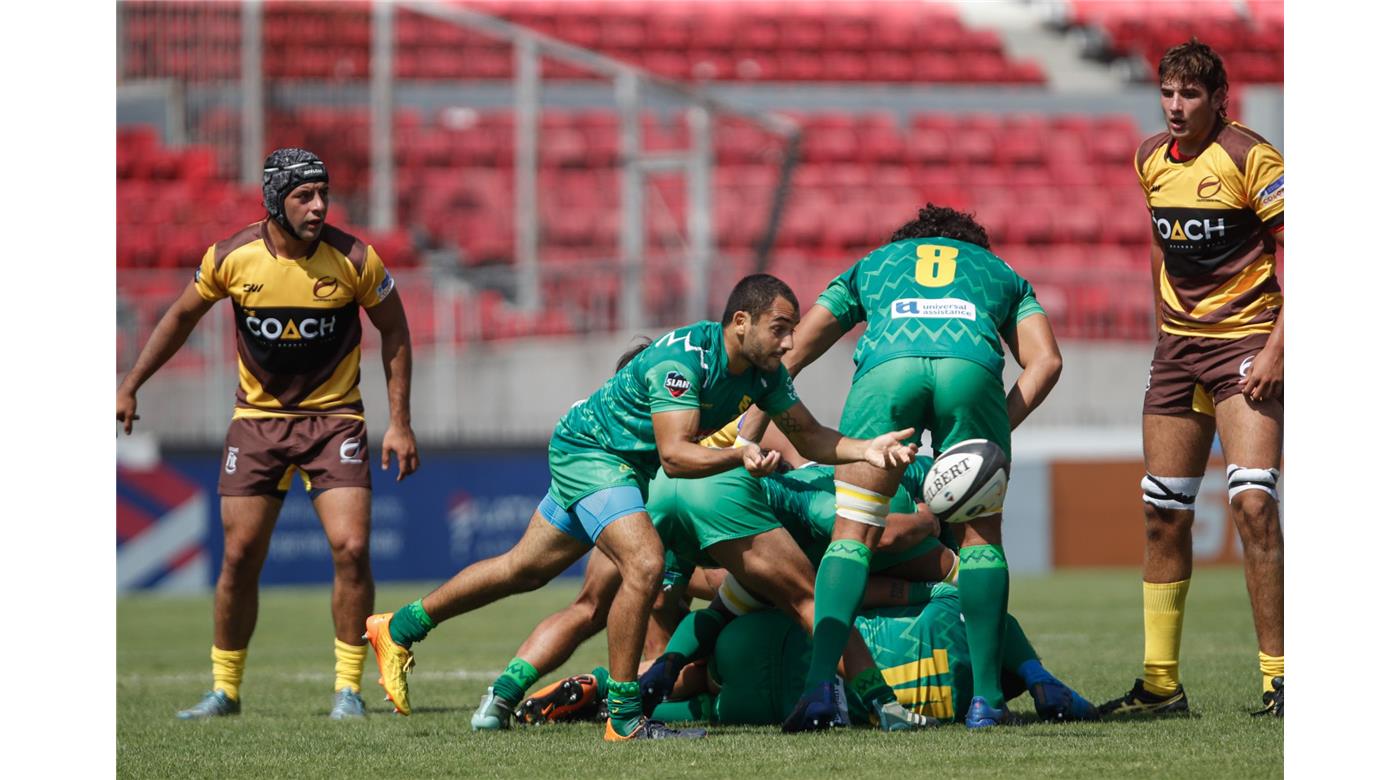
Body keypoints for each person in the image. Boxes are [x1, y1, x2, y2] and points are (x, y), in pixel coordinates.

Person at [362, 273, 918, 741]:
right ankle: (625, 716)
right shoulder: (686, 360)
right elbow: (675, 457)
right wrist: (741, 454)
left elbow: (813, 436)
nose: (789, 342)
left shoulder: (766, 374)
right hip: (593, 454)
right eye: (779, 328)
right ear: (740, 323)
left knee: (522, 570)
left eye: (793, 330)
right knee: (646, 564)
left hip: (619, 466)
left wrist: (867, 448)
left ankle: (402, 625)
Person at [116, 148, 420, 720]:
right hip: (255, 424)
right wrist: (131, 383)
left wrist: (400, 422)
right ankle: (225, 690)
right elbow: (180, 317)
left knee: (352, 549)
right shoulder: (231, 257)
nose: (319, 205)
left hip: (335, 422)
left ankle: (347, 690)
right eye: (304, 195)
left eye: (323, 193)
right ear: (275, 199)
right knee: (238, 557)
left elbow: (395, 330)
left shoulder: (356, 259)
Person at [745, 204, 1063, 729]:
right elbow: (1046, 360)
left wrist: (755, 420)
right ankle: (987, 701)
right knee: (980, 540)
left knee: (852, 534)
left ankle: (821, 691)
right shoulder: (998, 271)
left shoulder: (876, 263)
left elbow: (794, 348)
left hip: (886, 374)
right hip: (971, 371)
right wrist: (994, 433)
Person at [1099, 39, 1285, 719]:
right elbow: (1158, 238)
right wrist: (1163, 328)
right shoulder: (1149, 156)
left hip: (1244, 347)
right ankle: (1159, 685)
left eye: (1190, 96)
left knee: (1253, 504)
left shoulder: (1249, 157)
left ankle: (1281, 679)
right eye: (1167, 94)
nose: (1175, 108)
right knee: (1162, 513)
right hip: (1179, 351)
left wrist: (1276, 351)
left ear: (1218, 100)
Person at [531, 586, 1096, 728]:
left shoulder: (954, 607)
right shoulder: (948, 706)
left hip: (776, 635)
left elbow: (980, 607)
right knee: (711, 711)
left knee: (721, 622)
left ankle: (623, 684)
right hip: (778, 703)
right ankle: (611, 705)